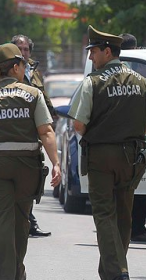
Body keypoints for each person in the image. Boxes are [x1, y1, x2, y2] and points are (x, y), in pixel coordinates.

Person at [68, 25, 146, 280]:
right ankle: (111, 272)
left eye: (93, 51)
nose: (90, 58)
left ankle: (118, 273)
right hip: (130, 157)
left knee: (104, 215)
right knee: (124, 218)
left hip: (100, 157)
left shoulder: (92, 83)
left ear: (107, 51)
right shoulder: (141, 82)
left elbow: (78, 125)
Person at [0, 43, 61, 280]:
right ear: (15, 67)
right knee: (21, 221)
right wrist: (56, 162)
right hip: (27, 168)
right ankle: (16, 272)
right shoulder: (32, 94)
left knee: (3, 221)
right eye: (23, 65)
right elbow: (46, 132)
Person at [11, 34, 54, 237]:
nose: (23, 52)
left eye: (26, 49)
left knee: (31, 180)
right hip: (11, 133)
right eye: (19, 48)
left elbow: (43, 97)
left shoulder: (34, 72)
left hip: (32, 133)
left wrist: (51, 117)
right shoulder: (5, 72)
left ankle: (28, 221)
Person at [120, 34, 146, 243]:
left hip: (122, 142)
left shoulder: (114, 76)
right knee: (139, 186)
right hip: (137, 142)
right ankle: (136, 228)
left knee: (128, 187)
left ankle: (130, 227)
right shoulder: (137, 79)